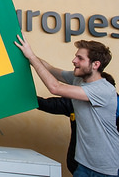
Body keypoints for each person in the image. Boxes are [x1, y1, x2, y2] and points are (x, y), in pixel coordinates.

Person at [15, 35, 119, 177]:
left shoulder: (104, 90)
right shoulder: (78, 79)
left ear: (96, 65)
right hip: (83, 165)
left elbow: (55, 87)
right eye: (76, 56)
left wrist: (31, 56)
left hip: (104, 170)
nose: (74, 60)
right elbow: (50, 69)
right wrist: (27, 54)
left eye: (80, 58)